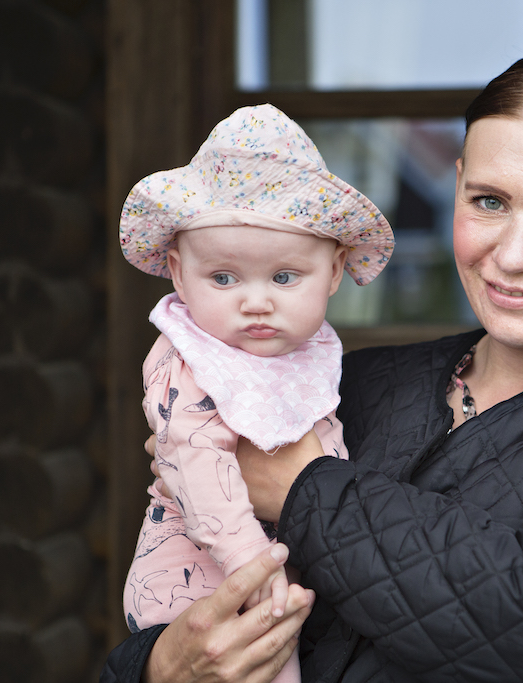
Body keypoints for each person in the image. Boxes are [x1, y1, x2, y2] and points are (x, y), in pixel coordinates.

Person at [102, 45, 523, 683]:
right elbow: (195, 568)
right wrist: (159, 665)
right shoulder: (348, 386)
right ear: (455, 187)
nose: (512, 254)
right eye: (488, 201)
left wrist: (305, 487)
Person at [115, 104, 394, 683]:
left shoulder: (305, 353)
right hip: (199, 577)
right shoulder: (187, 357)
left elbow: (325, 446)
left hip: (280, 573)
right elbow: (195, 462)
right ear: (176, 271)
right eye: (223, 278)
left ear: (335, 272)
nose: (256, 301)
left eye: (285, 278)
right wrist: (253, 564)